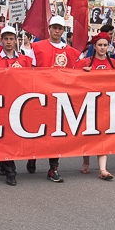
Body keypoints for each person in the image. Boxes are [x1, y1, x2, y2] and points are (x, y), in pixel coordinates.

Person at [30, 15, 80, 182]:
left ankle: (53, 168)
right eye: (54, 27)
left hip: (61, 99)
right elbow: (30, 71)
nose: (57, 31)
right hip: (42, 97)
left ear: (63, 30)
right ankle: (33, 155)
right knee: (38, 130)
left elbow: (79, 73)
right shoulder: (36, 47)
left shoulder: (71, 52)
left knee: (56, 134)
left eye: (60, 28)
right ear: (49, 28)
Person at [0, 26, 31, 186]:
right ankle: (10, 170)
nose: (8, 42)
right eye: (5, 39)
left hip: (21, 102)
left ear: (16, 40)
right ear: (1, 40)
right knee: (5, 136)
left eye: (11, 39)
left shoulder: (25, 60)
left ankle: (4, 163)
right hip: (2, 103)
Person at [79, 33, 115, 180]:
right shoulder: (85, 62)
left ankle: (103, 169)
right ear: (94, 46)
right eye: (100, 45)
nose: (102, 48)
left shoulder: (114, 63)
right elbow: (72, 79)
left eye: (105, 45)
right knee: (88, 134)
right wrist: (83, 74)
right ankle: (86, 161)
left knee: (103, 136)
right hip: (88, 104)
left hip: (106, 105)